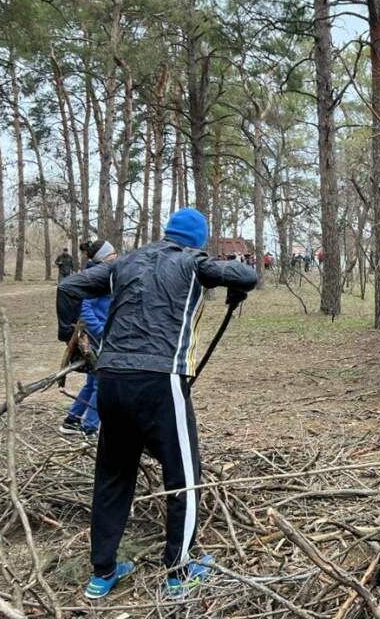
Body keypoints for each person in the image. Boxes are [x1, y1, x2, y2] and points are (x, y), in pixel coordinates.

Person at [57, 208, 257, 600]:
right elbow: (245, 274)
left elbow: (69, 289)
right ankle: (180, 573)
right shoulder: (193, 260)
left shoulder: (125, 261)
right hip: (161, 380)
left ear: (167, 233)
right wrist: (237, 285)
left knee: (113, 476)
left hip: (111, 380)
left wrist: (67, 332)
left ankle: (103, 573)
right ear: (199, 239)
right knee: (184, 476)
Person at [60, 240, 118, 438]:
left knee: (93, 383)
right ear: (105, 257)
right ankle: (90, 427)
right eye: (113, 255)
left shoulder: (106, 274)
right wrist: (101, 331)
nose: (116, 258)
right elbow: (84, 310)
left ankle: (72, 420)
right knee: (101, 384)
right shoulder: (93, 278)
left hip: (101, 336)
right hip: (96, 337)